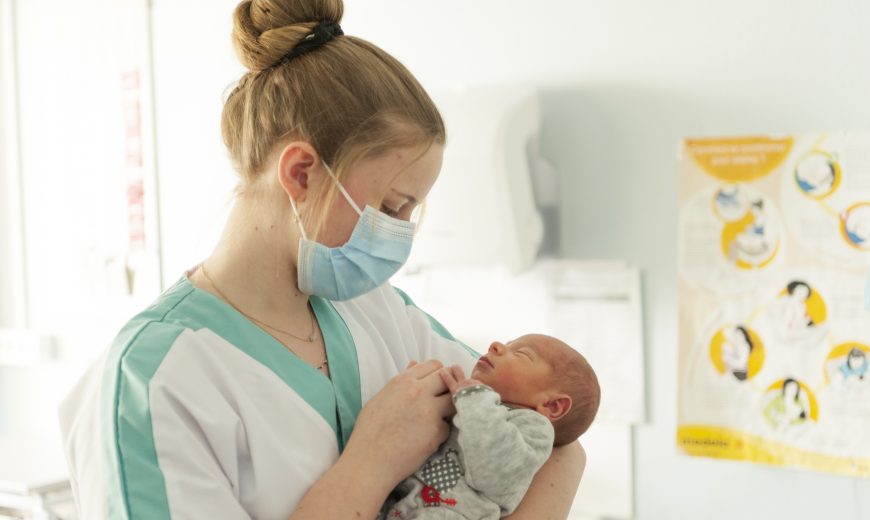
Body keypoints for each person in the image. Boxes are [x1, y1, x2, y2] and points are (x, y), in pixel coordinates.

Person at [56, 1, 585, 519]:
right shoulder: (155, 381)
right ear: (302, 173)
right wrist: (370, 464)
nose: (400, 234)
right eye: (390, 206)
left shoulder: (373, 311)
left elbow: (559, 439)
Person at [380, 335, 600, 519]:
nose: (496, 345)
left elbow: (495, 473)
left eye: (521, 353)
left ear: (552, 405)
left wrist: (474, 399)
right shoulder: (475, 401)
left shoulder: (534, 429)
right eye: (509, 343)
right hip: (402, 501)